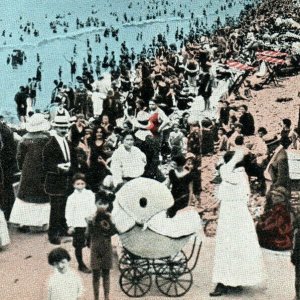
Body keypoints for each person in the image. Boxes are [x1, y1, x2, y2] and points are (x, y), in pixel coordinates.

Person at [210, 150, 265, 297]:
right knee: (234, 247)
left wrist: (229, 161)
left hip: (233, 214)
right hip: (234, 212)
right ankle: (231, 280)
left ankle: (225, 282)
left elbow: (223, 171)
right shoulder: (237, 174)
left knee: (229, 247)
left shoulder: (236, 174)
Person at [9, 114, 51, 231]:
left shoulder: (24, 139)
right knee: (43, 196)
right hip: (42, 169)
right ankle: (43, 222)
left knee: (25, 196)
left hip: (28, 170)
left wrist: (22, 168)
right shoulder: (47, 138)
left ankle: (24, 222)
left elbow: (19, 157)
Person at [43, 115, 75, 245]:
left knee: (64, 208)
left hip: (66, 181)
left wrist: (71, 168)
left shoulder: (67, 142)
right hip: (55, 182)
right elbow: (46, 165)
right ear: (55, 127)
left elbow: (72, 159)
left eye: (65, 127)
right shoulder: (50, 145)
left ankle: (62, 229)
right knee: (55, 209)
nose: (63, 129)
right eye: (61, 127)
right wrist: (59, 167)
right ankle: (53, 234)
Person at [65, 173, 97, 273]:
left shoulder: (89, 194)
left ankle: (96, 263)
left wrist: (93, 215)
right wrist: (70, 225)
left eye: (82, 183)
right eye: (77, 184)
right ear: (73, 185)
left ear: (85, 184)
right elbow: (68, 212)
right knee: (78, 245)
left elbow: (93, 206)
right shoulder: (71, 198)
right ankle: (81, 264)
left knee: (93, 243)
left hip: (89, 222)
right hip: (78, 224)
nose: (80, 186)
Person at [86, 207, 117, 300]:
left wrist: (112, 220)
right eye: (100, 203)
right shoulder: (92, 221)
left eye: (104, 203)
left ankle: (106, 297)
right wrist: (89, 223)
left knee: (106, 274)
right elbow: (87, 234)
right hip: (96, 250)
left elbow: (114, 231)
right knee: (96, 275)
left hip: (106, 249)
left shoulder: (108, 219)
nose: (102, 206)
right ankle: (96, 298)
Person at [256, 186, 292, 251]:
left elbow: (275, 224)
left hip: (281, 240)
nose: (273, 198)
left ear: (283, 198)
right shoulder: (278, 207)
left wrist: (261, 225)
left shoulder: (281, 209)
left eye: (276, 196)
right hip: (280, 234)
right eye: (273, 195)